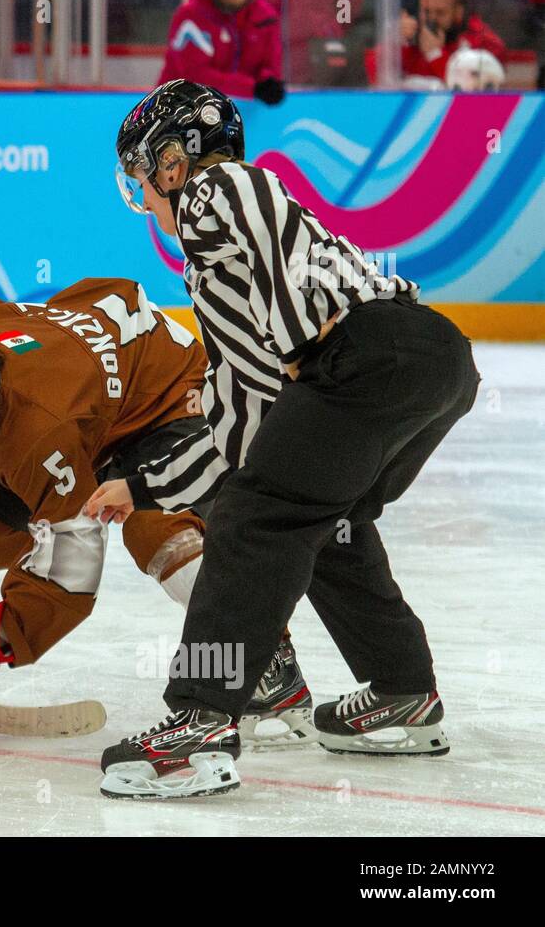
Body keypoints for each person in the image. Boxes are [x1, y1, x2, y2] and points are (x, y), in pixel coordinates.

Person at [88, 80, 480, 799]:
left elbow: (259, 206)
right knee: (322, 522)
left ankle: (201, 723)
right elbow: (240, 436)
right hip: (434, 362)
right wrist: (141, 489)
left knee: (252, 518)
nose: (144, 200)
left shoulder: (217, 190)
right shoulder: (219, 281)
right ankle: (403, 691)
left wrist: (301, 342)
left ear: (175, 163)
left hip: (368, 353)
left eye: (144, 180)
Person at [0, 281, 315, 750]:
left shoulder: (39, 432)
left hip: (165, 397)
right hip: (86, 392)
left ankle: (265, 657)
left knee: (158, 532)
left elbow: (73, 570)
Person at [159, 0, 284, 105]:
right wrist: (251, 88)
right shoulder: (192, 15)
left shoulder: (266, 19)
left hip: (236, 111)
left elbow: (270, 65)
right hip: (177, 106)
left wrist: (268, 82)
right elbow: (194, 75)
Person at [365, 0, 506, 88]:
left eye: (440, 13)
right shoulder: (412, 36)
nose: (432, 19)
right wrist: (394, 41)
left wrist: (435, 55)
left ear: (458, 12)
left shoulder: (482, 41)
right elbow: (377, 78)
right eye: (426, 12)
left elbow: (472, 88)